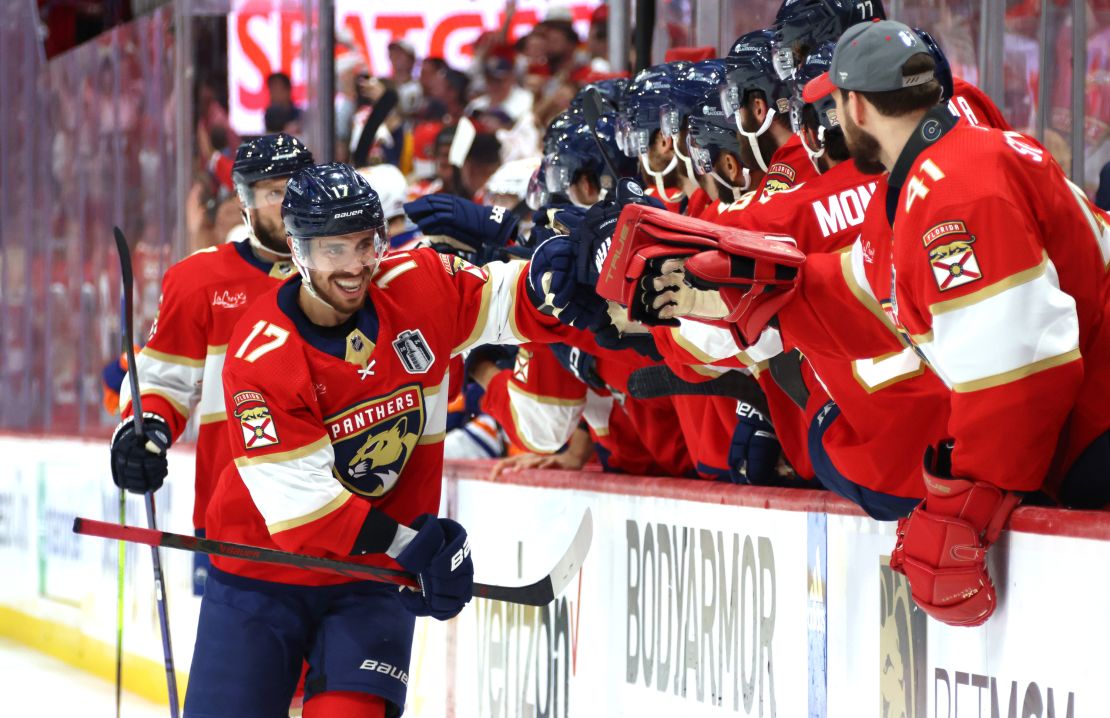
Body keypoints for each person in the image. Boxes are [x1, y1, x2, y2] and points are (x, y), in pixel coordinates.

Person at [187, 161, 600, 715]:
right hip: (258, 575)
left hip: (368, 581)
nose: (356, 265)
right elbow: (306, 514)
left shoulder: (418, 285)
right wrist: (417, 548)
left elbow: (508, 299)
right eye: (335, 249)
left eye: (366, 243)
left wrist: (552, 273)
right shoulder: (261, 357)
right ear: (297, 249)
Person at [795, 20, 1110, 625]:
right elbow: (865, 289)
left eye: (833, 103)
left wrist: (965, 508)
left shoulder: (956, 191)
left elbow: (1018, 373)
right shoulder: (931, 172)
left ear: (854, 106)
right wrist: (753, 291)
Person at [110, 134, 312, 595]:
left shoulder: (348, 274)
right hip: (235, 523)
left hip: (336, 522)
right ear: (243, 200)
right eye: (270, 193)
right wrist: (145, 433)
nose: (284, 206)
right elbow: (165, 381)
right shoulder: (200, 279)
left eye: (294, 189)